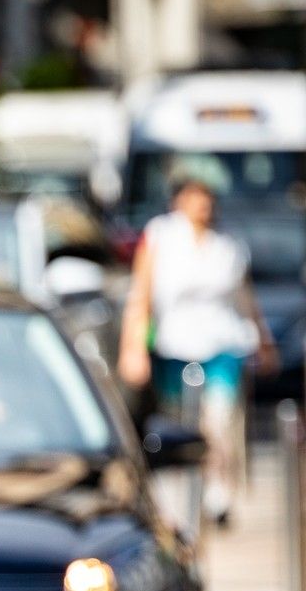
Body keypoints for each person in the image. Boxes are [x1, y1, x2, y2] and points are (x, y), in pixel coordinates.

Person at [117, 165, 280, 526]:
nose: (201, 203)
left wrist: (264, 341)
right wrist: (134, 347)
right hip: (175, 343)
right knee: (178, 423)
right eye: (194, 194)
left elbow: (244, 298)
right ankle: (176, 496)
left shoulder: (228, 243)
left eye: (207, 196)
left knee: (219, 419)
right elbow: (141, 294)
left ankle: (217, 490)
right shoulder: (160, 235)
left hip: (223, 342)